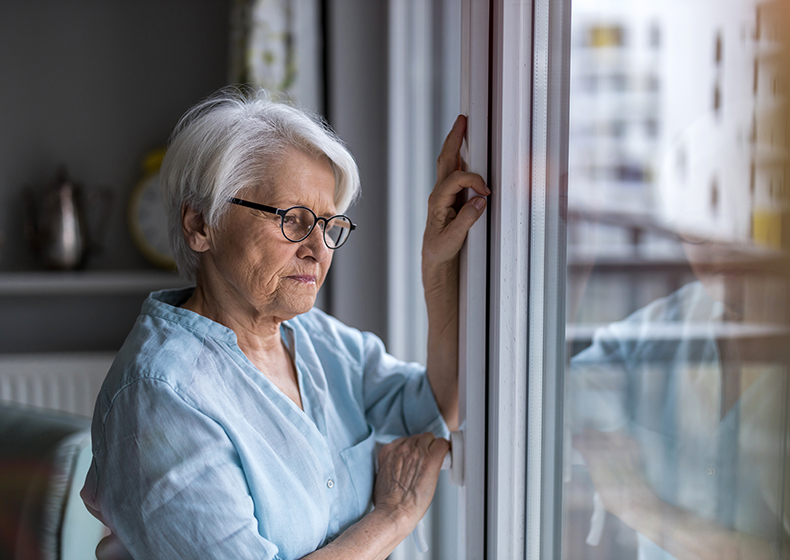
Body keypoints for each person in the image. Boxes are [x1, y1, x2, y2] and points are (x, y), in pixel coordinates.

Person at [80, 87, 489, 559]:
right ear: (200, 225)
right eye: (293, 219)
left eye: (329, 225)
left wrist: (438, 267)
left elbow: (440, 403)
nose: (317, 249)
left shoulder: (315, 339)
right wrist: (394, 515)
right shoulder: (160, 395)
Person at [569, 237, 790, 559]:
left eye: (733, 224)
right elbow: (560, 388)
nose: (717, 246)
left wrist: (643, 510)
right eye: (695, 235)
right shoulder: (670, 322)